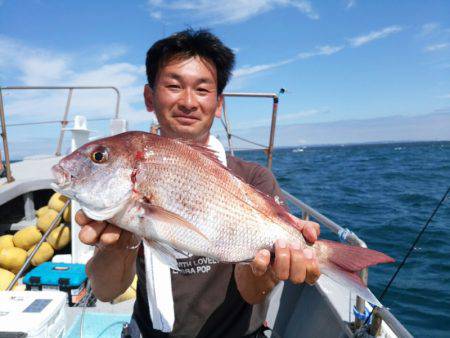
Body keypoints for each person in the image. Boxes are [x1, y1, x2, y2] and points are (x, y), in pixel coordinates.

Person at [75, 29, 321, 337]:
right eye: (174, 86)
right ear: (150, 97)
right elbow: (107, 290)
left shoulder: (254, 180)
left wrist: (268, 271)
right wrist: (121, 242)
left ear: (219, 104)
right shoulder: (126, 185)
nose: (189, 102)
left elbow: (251, 293)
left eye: (203, 90)